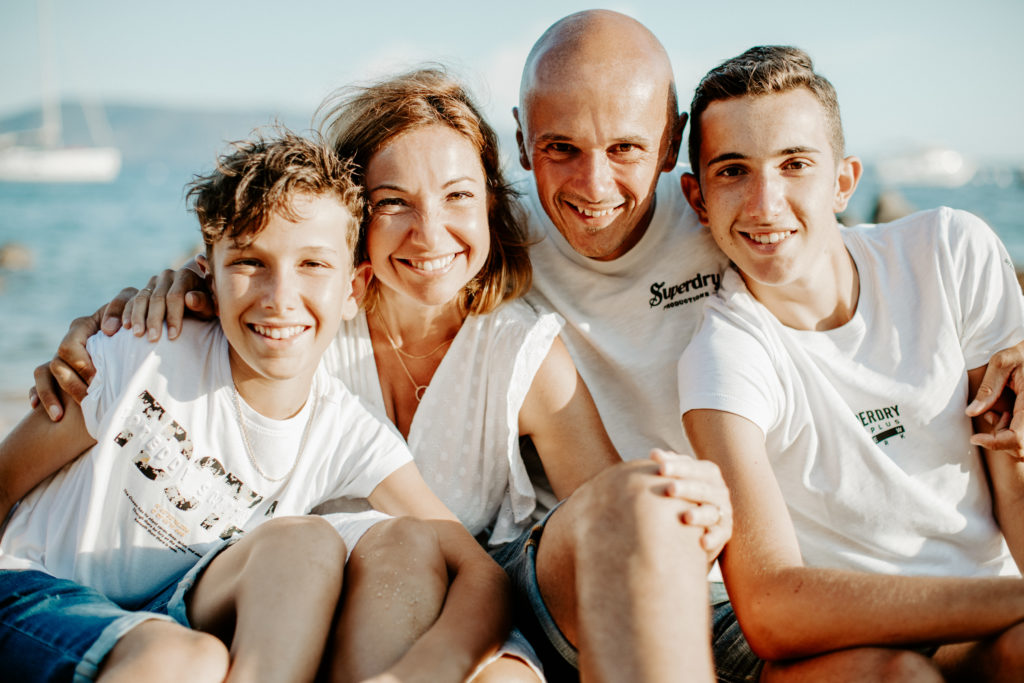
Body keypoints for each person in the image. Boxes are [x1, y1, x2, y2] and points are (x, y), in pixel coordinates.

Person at [32, 8, 1024, 680]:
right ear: (521, 142)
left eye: (625, 149)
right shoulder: (414, 273)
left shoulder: (727, 219)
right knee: (485, 536)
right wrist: (147, 303)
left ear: (673, 148)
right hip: (467, 572)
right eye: (559, 150)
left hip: (662, 578)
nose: (591, 185)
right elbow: (276, 253)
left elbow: (874, 274)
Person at [0, 131, 510, 682]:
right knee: (185, 660)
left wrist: (433, 667)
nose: (279, 297)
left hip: (174, 610)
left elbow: (478, 571)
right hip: (40, 593)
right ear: (208, 277)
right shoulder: (141, 351)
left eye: (313, 264)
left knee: (303, 541)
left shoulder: (345, 432)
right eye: (249, 262)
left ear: (353, 290)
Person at [677, 45, 1024, 680]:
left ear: (843, 182)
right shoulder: (723, 353)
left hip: (986, 617)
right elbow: (771, 606)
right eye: (733, 171)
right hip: (844, 639)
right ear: (698, 200)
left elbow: (1016, 476)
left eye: (795, 164)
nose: (764, 202)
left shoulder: (948, 253)